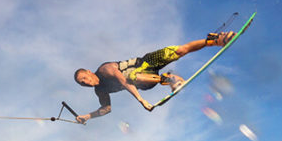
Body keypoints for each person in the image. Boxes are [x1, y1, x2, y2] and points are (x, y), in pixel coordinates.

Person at [73, 31, 236, 123]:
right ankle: (168, 79)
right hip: (142, 79)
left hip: (146, 62)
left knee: (180, 50)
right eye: (83, 84)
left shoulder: (104, 69)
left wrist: (141, 100)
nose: (86, 83)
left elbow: (122, 80)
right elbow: (106, 109)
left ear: (89, 71)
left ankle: (215, 40)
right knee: (132, 77)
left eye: (85, 79)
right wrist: (87, 116)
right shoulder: (100, 91)